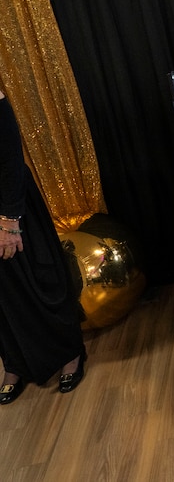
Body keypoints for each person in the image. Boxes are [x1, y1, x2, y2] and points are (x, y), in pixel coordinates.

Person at [1, 89, 86, 405]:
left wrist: (10, 218)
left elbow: (9, 154)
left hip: (10, 204)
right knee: (2, 297)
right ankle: (15, 363)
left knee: (41, 279)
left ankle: (69, 353)